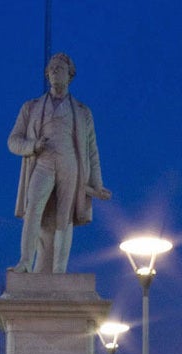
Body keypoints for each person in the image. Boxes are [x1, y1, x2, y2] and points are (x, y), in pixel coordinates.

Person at [7, 53, 111, 273]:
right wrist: (33, 145)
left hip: (70, 164)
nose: (54, 71)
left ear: (70, 75)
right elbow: (13, 141)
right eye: (51, 68)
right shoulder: (31, 107)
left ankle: (59, 271)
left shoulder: (82, 112)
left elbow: (92, 150)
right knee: (33, 209)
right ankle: (25, 262)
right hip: (43, 162)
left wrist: (97, 184)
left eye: (60, 68)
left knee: (65, 217)